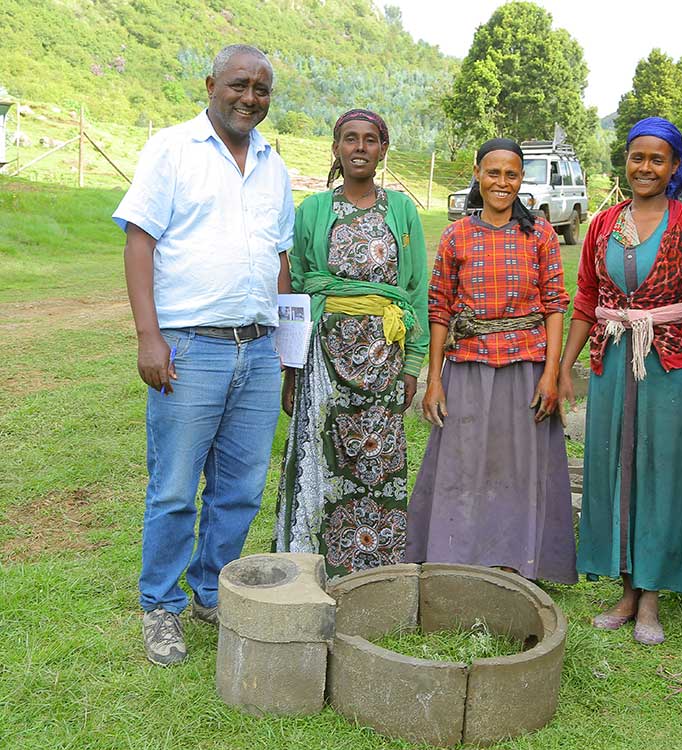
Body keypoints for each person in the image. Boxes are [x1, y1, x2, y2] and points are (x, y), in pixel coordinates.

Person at [114, 45, 294, 666]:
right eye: (240, 85)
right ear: (212, 83)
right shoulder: (173, 149)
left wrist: (285, 350)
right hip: (189, 348)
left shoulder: (273, 165)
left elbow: (280, 261)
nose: (250, 97)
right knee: (172, 488)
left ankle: (210, 591)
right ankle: (159, 606)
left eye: (262, 89)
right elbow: (141, 241)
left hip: (259, 348)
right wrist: (149, 336)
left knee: (241, 487)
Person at [559, 117, 682, 645]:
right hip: (611, 360)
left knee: (663, 470)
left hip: (669, 365)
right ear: (624, 161)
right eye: (636, 157)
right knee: (615, 466)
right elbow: (585, 298)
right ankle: (626, 588)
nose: (645, 167)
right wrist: (565, 367)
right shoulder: (604, 224)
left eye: (657, 159)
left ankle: (651, 595)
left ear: (674, 166)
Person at [404, 138, 576, 584]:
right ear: (478, 174)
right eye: (493, 173)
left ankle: (516, 560)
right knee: (463, 462)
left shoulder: (538, 233)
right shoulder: (457, 234)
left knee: (518, 466)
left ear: (522, 180)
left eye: (512, 174)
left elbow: (556, 305)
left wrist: (552, 374)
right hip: (468, 365)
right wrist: (435, 380)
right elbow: (439, 308)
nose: (502, 182)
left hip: (526, 367)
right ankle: (457, 555)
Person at [274, 109, 428, 579]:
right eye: (350, 139)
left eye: (370, 140)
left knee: (376, 457)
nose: (360, 147)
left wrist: (412, 364)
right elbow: (296, 290)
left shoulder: (401, 210)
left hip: (385, 354)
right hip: (322, 356)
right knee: (320, 453)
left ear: (383, 150)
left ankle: (376, 568)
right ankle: (312, 564)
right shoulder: (313, 211)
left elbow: (416, 286)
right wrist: (291, 366)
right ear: (336, 149)